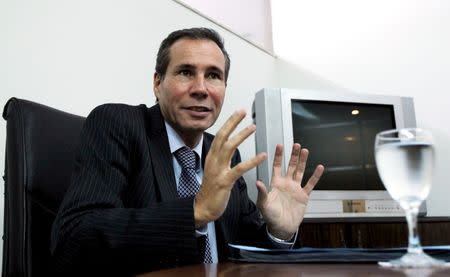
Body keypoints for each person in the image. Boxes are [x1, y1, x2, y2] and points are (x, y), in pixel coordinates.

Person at [50, 27, 324, 275]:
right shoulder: (118, 125)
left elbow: (246, 253)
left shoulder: (224, 155)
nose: (201, 89)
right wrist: (195, 211)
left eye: (214, 76)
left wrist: (279, 233)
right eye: (185, 72)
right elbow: (74, 239)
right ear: (157, 83)